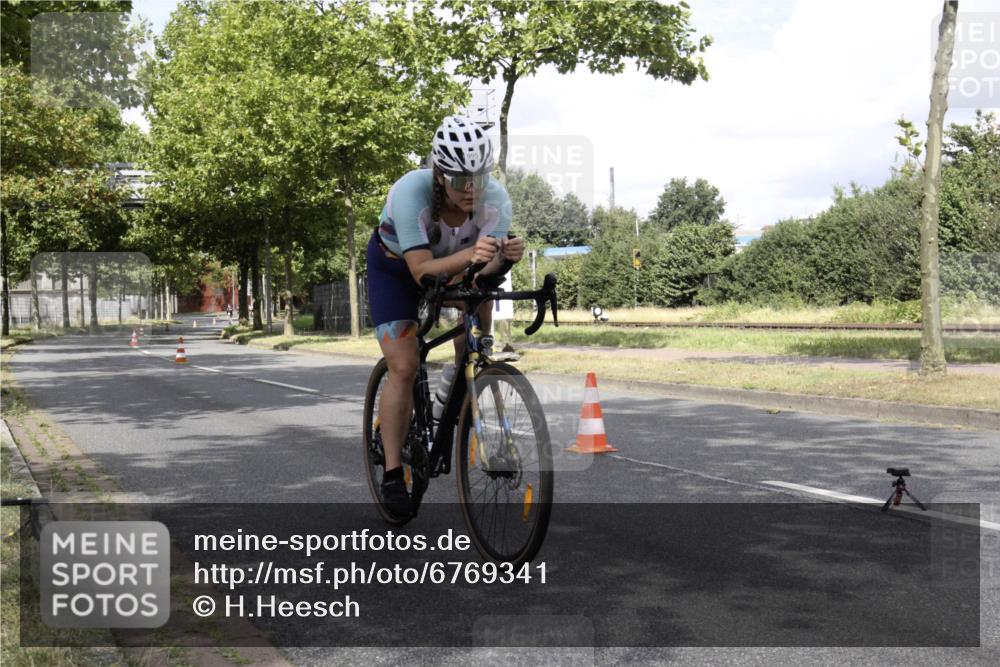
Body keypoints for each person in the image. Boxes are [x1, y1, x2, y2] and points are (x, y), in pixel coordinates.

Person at [367, 115, 524, 517]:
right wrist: (474, 255)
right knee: (403, 365)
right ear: (439, 174)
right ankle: (391, 471)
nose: (471, 189)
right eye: (460, 180)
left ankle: (453, 388)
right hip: (397, 269)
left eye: (480, 178)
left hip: (453, 264)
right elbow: (420, 270)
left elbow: (481, 272)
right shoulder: (409, 192)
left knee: (477, 316)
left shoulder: (497, 200)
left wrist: (502, 260)